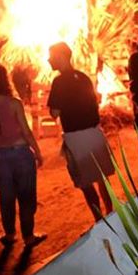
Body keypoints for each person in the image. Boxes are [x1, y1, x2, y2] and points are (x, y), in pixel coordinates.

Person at [0, 60, 45, 247]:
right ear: (5, 80)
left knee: (6, 197)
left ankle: (10, 234)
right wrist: (37, 152)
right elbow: (27, 132)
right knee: (27, 196)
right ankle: (28, 237)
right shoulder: (13, 102)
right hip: (21, 154)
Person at [47, 42, 115, 221]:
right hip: (94, 133)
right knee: (102, 178)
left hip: (76, 137)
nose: (48, 60)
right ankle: (111, 212)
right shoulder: (83, 77)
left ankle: (99, 220)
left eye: (51, 56)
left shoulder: (59, 82)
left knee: (85, 182)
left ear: (61, 57)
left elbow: (54, 113)